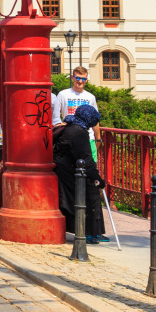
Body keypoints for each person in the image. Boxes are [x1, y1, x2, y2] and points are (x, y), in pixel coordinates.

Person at [53, 104, 107, 244]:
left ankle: (94, 231)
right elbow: (86, 159)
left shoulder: (72, 126)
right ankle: (90, 232)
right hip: (68, 172)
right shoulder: (79, 132)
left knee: (89, 190)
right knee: (91, 192)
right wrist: (98, 179)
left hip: (63, 169)